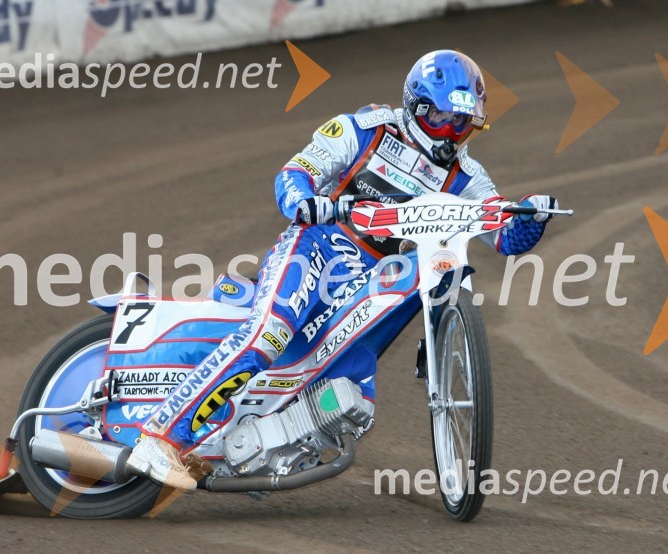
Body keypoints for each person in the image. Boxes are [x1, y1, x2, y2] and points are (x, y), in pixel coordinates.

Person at [127, 50, 559, 491]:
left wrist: (531, 217)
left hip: (373, 278)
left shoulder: (469, 177)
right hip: (313, 249)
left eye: (463, 124)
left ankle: (264, 443)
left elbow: (505, 238)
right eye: (444, 119)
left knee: (353, 401)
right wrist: (306, 202)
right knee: (269, 334)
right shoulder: (364, 129)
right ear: (417, 107)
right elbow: (296, 172)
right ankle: (160, 434)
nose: (452, 134)